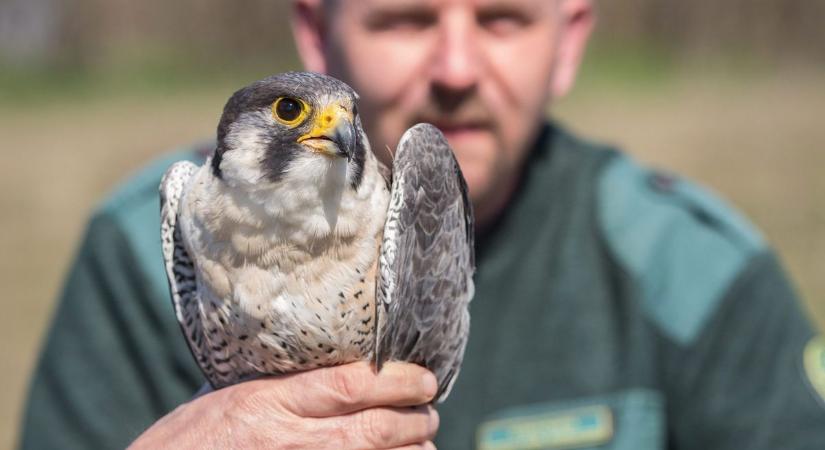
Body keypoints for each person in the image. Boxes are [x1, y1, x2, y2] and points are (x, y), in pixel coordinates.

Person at [20, 0, 825, 449]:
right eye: (404, 19)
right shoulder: (145, 240)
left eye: (502, 19)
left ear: (570, 39)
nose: (454, 70)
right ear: (315, 29)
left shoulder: (692, 266)